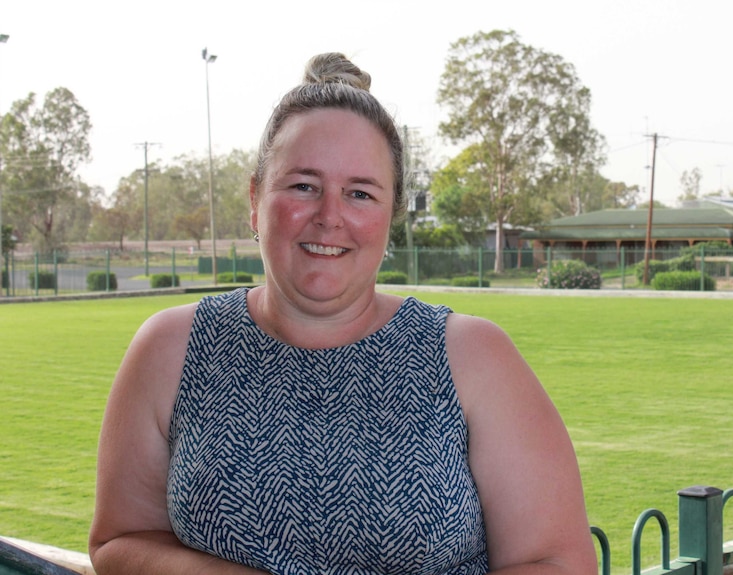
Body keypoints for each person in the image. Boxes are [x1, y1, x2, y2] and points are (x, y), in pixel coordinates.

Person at [89, 52, 597, 575]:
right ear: (254, 199)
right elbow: (120, 541)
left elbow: (558, 562)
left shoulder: (473, 357)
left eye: (360, 193)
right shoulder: (171, 348)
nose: (330, 217)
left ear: (390, 216)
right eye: (304, 186)